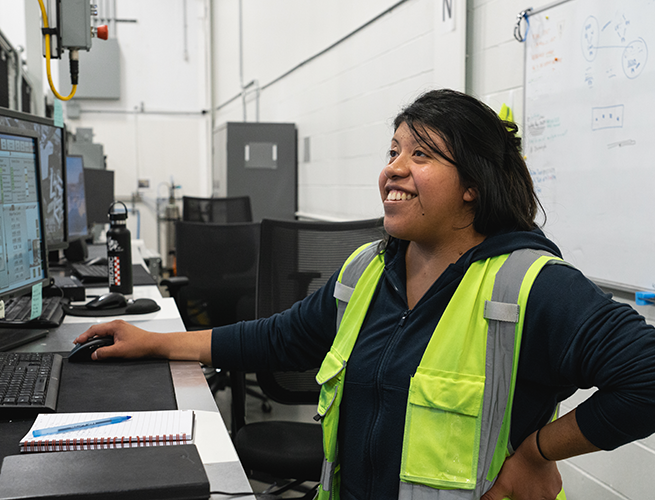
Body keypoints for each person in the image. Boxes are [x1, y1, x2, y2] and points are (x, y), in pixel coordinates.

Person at [75, 89, 655, 500]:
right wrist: (153, 343)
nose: (394, 170)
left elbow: (647, 377)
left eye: (421, 154)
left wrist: (537, 452)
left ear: (474, 185)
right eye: (393, 151)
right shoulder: (368, 272)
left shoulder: (529, 285)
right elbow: (280, 337)